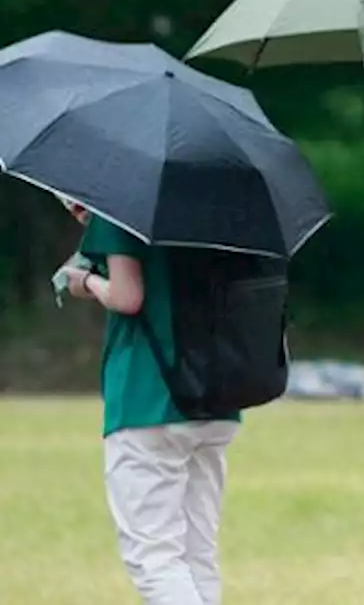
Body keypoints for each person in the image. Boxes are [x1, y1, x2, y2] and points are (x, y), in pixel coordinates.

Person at [56, 198, 241, 605]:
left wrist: (83, 281)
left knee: (155, 559)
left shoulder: (122, 203)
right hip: (218, 392)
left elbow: (128, 296)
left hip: (149, 395)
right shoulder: (221, 201)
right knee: (197, 553)